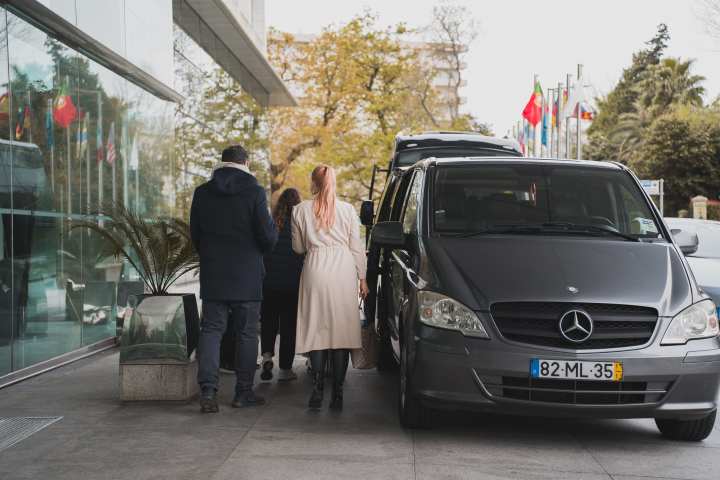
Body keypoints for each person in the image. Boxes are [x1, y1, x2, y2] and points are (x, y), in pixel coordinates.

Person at [190, 145, 277, 413]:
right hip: (247, 274)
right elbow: (267, 235)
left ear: (222, 162)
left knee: (211, 331)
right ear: (246, 162)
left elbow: (196, 233)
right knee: (247, 333)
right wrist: (259, 250)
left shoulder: (203, 192)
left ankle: (207, 391)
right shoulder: (254, 191)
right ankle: (243, 392)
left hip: (214, 274)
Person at [291, 165, 368, 411]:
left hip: (315, 268)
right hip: (343, 271)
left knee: (317, 331)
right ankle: (337, 393)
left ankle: (317, 389)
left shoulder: (300, 210)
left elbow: (298, 248)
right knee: (341, 335)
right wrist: (363, 278)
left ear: (313, 182)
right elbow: (356, 247)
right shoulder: (347, 210)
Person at [260, 188, 304, 382]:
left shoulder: (270, 224)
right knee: (288, 326)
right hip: (292, 285)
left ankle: (267, 357)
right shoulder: (300, 225)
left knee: (268, 321)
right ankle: (286, 369)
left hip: (268, 283)